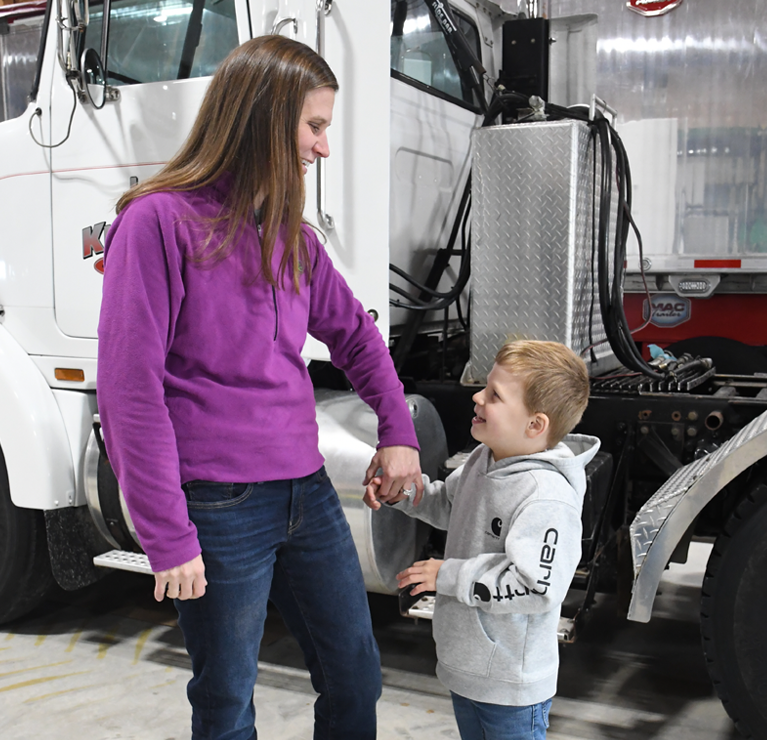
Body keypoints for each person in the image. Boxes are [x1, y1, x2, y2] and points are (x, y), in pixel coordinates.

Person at [97, 36, 423, 740]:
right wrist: (167, 534)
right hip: (218, 505)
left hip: (306, 491)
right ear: (265, 119)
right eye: (314, 126)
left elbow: (357, 337)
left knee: (355, 676)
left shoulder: (292, 238)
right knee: (226, 701)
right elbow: (129, 393)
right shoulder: (157, 223)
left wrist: (399, 432)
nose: (323, 147)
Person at [365, 339, 600, 740]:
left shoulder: (547, 497)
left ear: (535, 425)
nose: (477, 397)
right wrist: (401, 492)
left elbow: (536, 587)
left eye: (494, 395)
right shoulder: (483, 458)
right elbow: (448, 504)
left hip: (510, 687)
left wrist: (448, 575)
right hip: (469, 670)